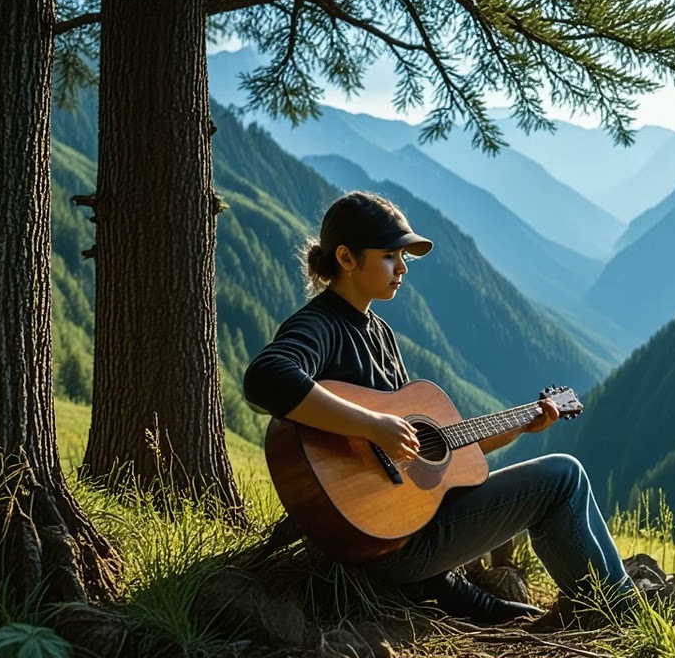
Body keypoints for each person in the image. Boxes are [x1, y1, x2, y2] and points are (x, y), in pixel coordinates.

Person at [243, 191, 633, 625]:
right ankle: (618, 612)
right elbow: (266, 377)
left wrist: (524, 424)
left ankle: (612, 603)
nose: (403, 268)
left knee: (560, 484)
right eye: (389, 256)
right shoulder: (319, 324)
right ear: (346, 258)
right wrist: (373, 425)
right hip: (388, 543)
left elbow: (431, 456)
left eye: (403, 257)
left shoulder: (380, 333)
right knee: (564, 476)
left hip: (406, 531)